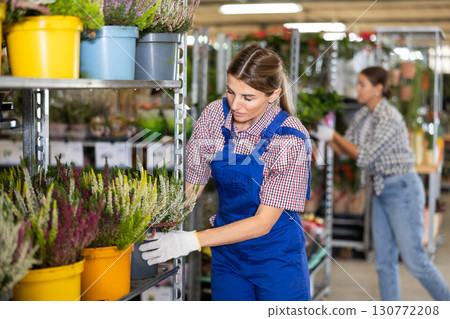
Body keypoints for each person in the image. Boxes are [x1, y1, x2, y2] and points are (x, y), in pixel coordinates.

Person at [139, 43, 312, 301]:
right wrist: (160, 223)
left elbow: (263, 223)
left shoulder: (291, 139)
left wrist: (191, 241)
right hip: (227, 255)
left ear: (273, 95)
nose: (236, 105)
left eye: (248, 97)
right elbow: (193, 185)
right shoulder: (213, 117)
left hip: (276, 258)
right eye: (231, 92)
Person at [311, 66, 450, 301]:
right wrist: (319, 133)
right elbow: (345, 151)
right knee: (384, 262)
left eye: (362, 84)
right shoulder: (364, 114)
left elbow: (363, 156)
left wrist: (333, 136)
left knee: (415, 260)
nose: (357, 89)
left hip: (402, 189)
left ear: (378, 88)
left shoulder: (389, 116)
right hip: (380, 189)